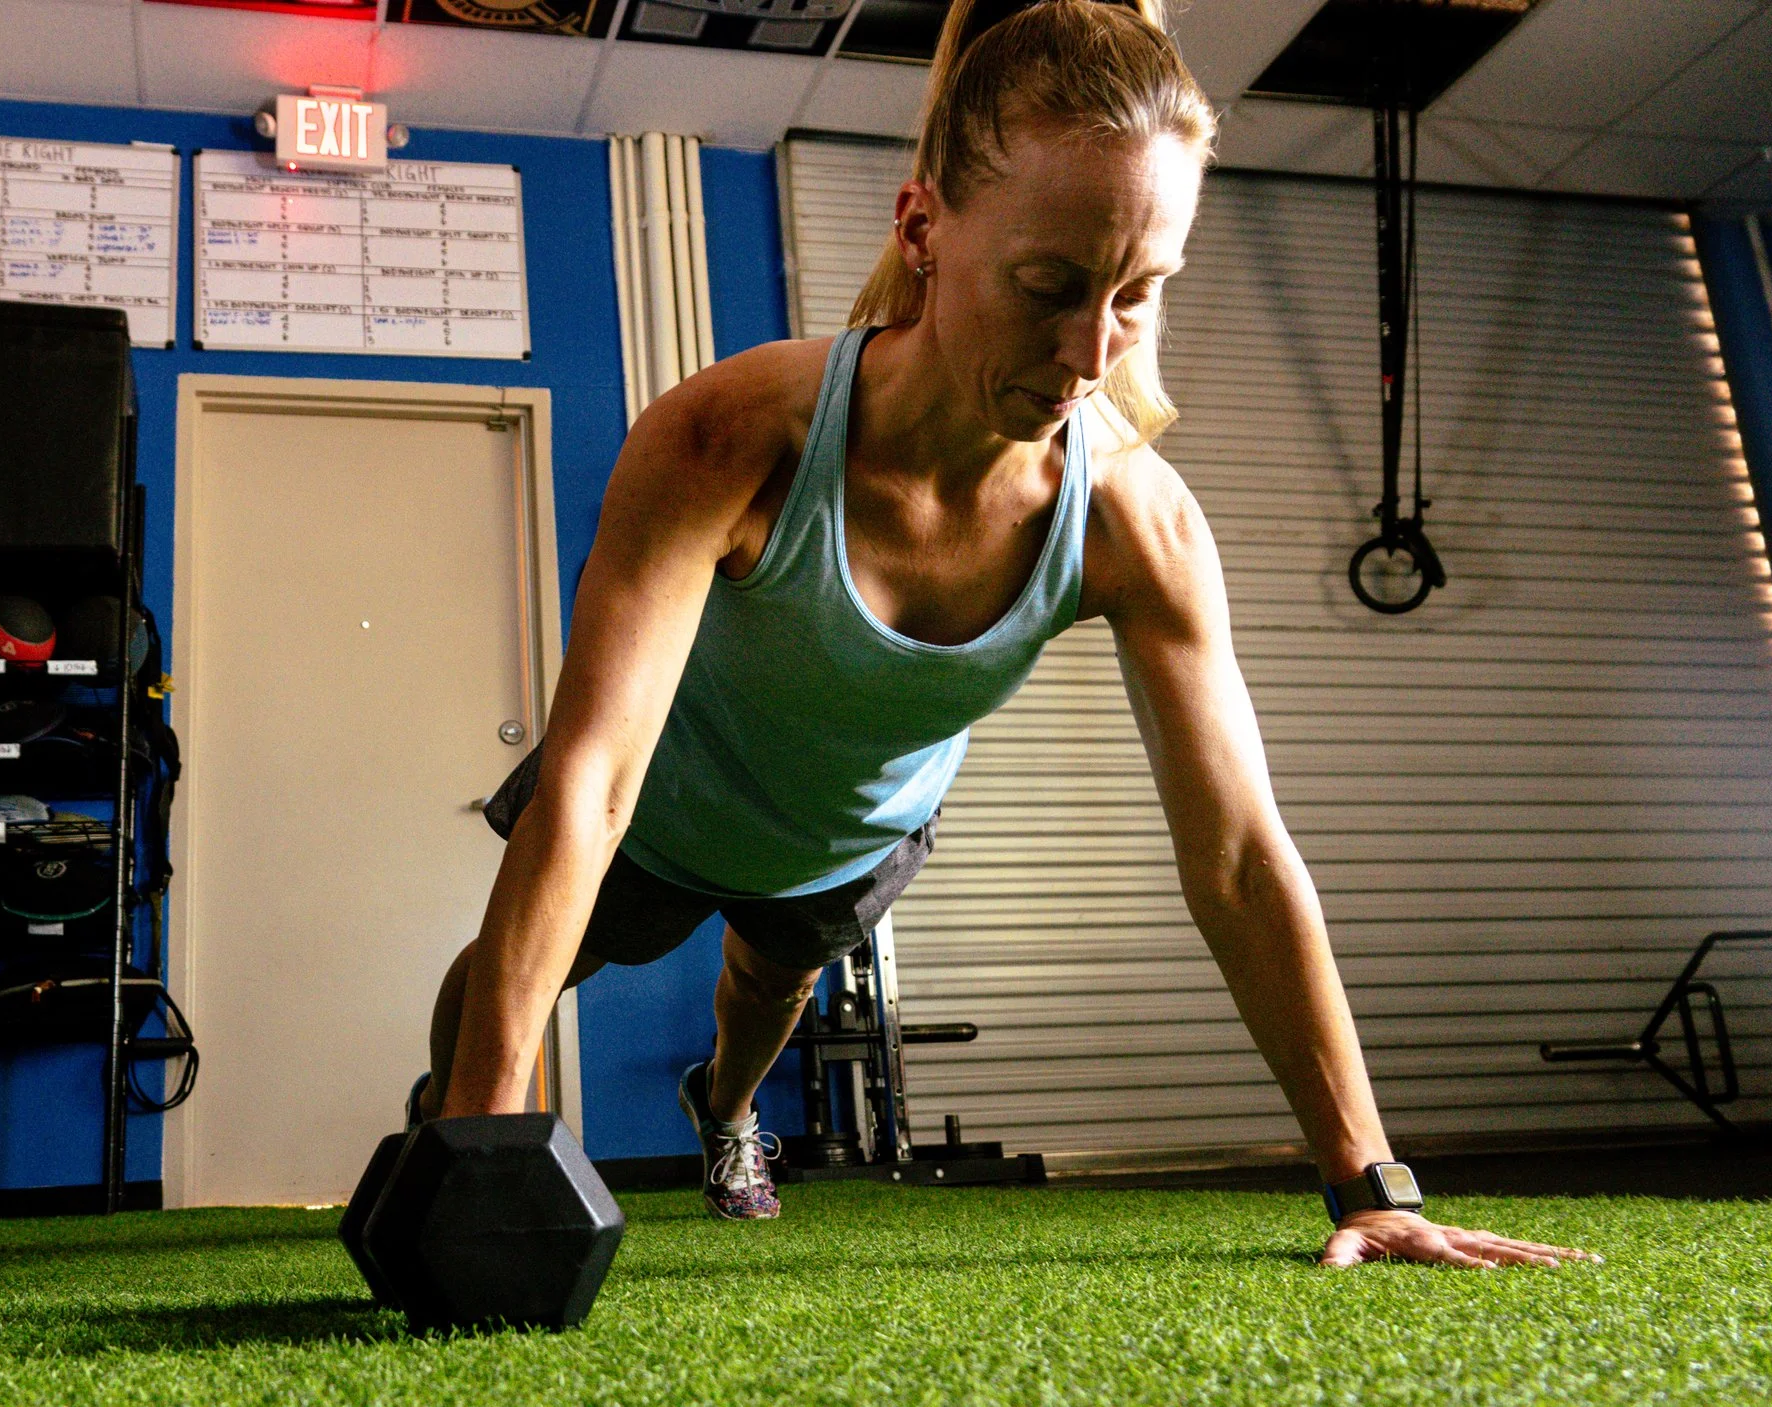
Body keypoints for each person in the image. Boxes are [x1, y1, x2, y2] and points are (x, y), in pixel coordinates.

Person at [412, 0, 1590, 1269]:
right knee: (503, 982)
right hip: (662, 804)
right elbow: (590, 782)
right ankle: (447, 1123)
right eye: (1047, 287)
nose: (1089, 352)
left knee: (767, 987)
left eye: (1138, 295)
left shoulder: (1136, 523)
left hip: (850, 829)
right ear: (922, 228)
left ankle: (730, 1116)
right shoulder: (729, 436)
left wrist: (1371, 1183)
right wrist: (483, 1145)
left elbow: (1242, 859)